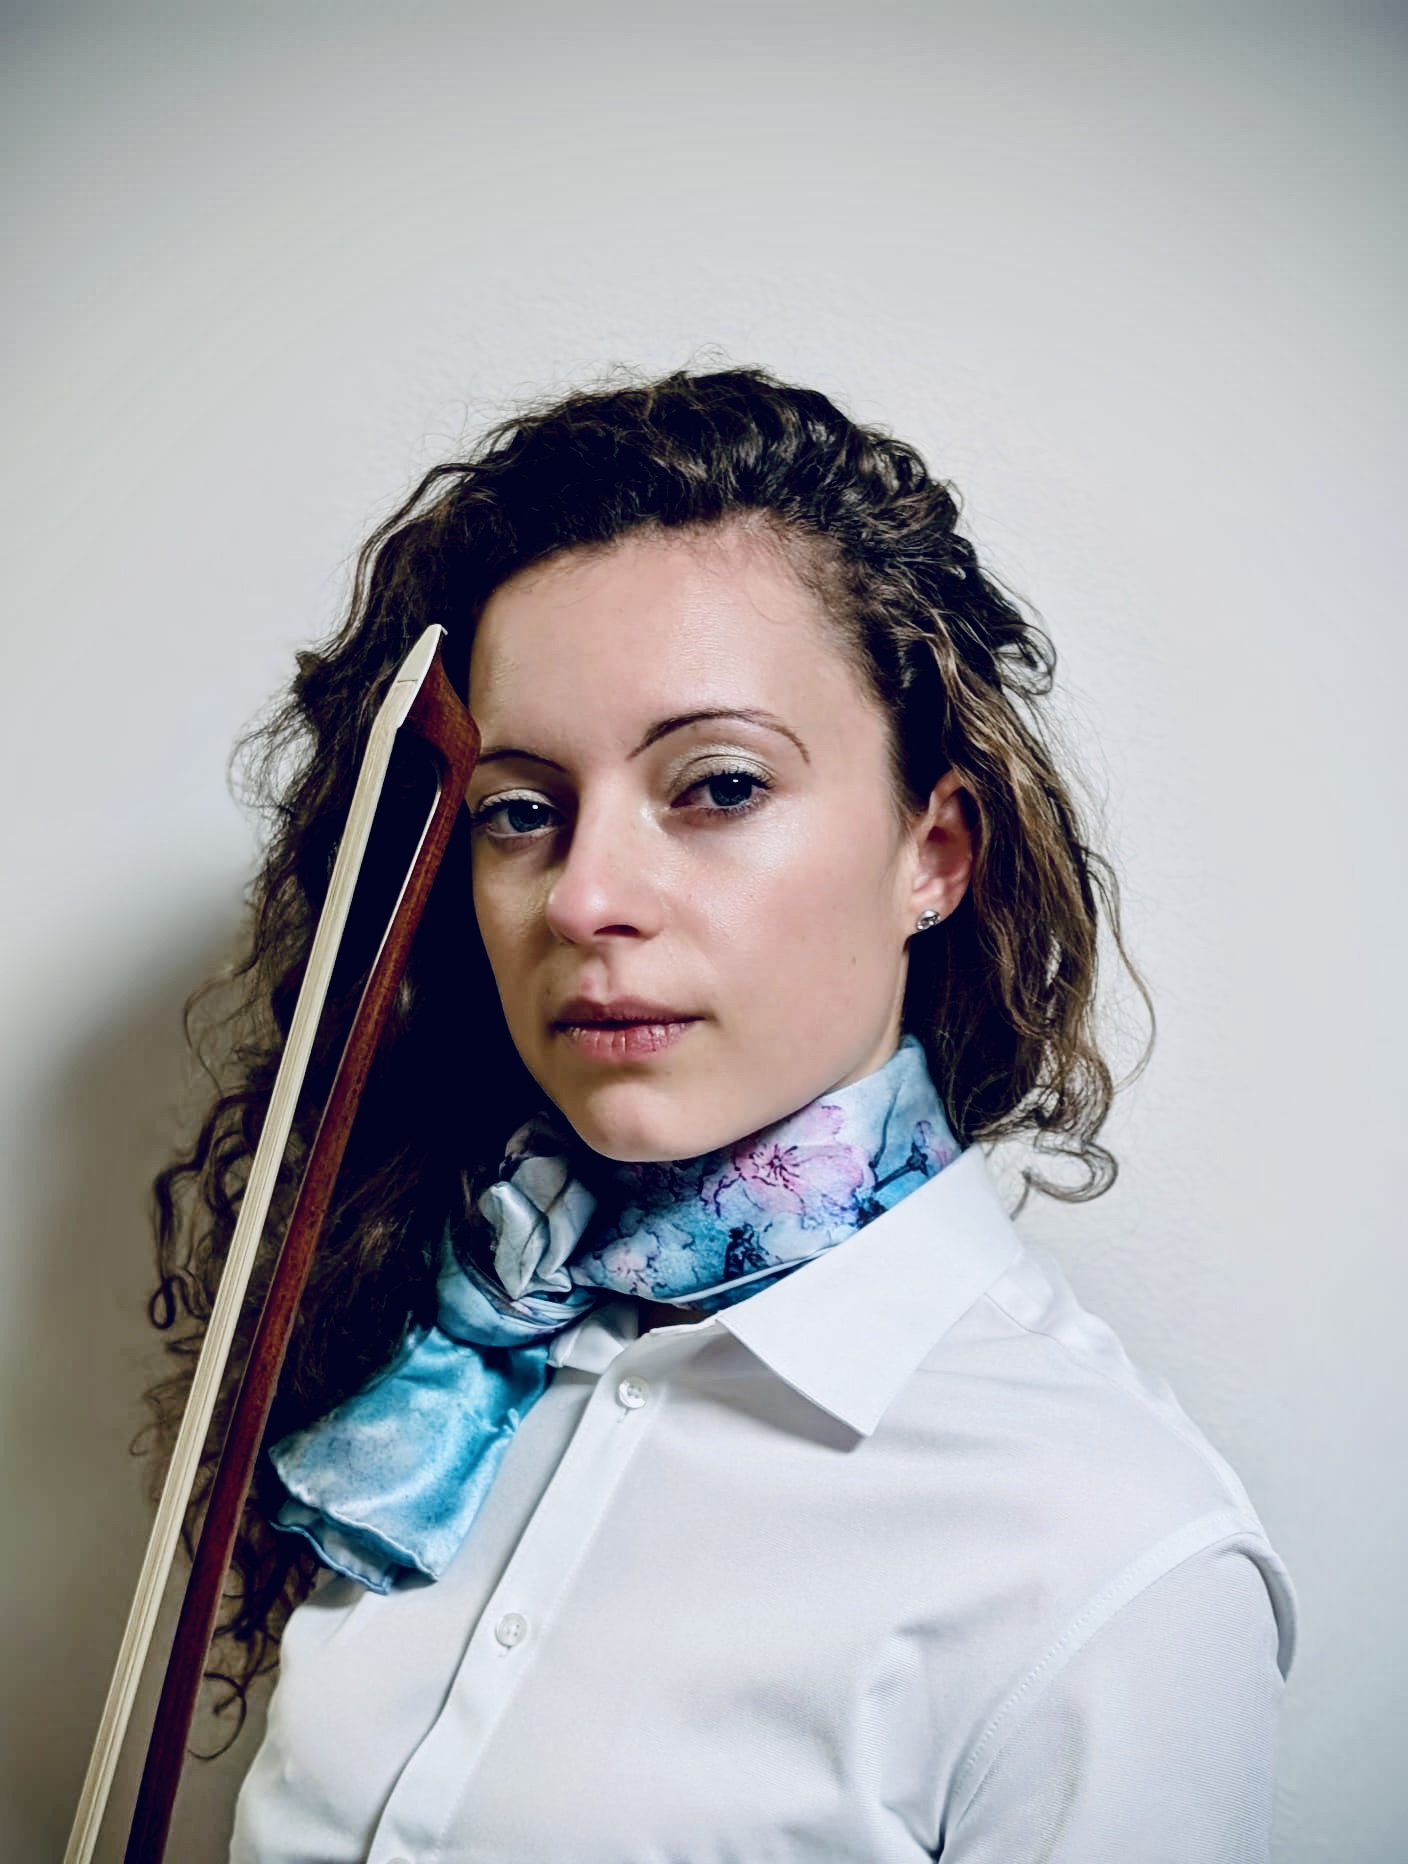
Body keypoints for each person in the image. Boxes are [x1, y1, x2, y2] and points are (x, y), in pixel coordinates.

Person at [143, 366, 1295, 1862]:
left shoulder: (1111, 1561)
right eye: (520, 809)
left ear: (935, 852)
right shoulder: (427, 1352)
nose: (584, 897)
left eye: (720, 786)